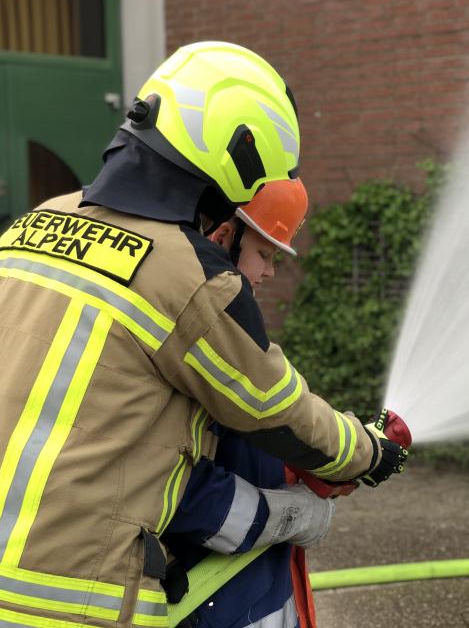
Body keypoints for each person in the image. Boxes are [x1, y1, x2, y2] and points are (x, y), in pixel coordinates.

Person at [0, 42, 408, 628]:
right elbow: (280, 413)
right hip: (48, 610)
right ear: (234, 166)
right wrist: (369, 453)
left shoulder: (30, 227)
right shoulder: (189, 276)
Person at [162, 178, 327, 628]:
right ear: (223, 239)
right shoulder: (200, 341)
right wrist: (290, 515)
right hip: (217, 604)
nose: (270, 271)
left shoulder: (228, 331)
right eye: (266, 254)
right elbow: (179, 492)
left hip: (260, 593)